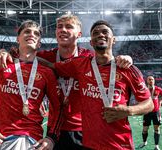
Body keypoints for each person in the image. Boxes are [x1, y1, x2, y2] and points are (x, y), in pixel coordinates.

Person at [0, 14, 134, 150]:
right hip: (55, 131)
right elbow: (20, 55)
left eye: (69, 26)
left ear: (79, 34)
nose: (63, 30)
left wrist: (126, 58)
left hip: (84, 129)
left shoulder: (89, 58)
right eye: (59, 27)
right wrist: (4, 52)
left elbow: (110, 62)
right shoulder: (45, 57)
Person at [37, 20, 154, 149]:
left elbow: (149, 104)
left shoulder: (128, 69)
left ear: (113, 39)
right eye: (95, 33)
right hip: (89, 145)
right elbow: (51, 65)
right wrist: (21, 55)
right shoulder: (80, 64)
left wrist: (128, 110)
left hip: (120, 144)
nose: (100, 35)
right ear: (91, 42)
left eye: (105, 32)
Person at [0, 20, 62, 150]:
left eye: (36, 33)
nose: (31, 35)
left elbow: (57, 107)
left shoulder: (47, 73)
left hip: (32, 140)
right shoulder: (1, 64)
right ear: (18, 38)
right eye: (27, 31)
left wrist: (51, 138)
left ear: (39, 43)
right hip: (0, 139)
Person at [138, 76, 162, 150]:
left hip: (156, 112)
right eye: (149, 79)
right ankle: (144, 142)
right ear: (147, 81)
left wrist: (160, 101)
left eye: (152, 79)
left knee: (157, 129)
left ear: (154, 81)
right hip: (147, 112)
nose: (151, 81)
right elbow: (139, 97)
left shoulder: (158, 89)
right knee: (145, 129)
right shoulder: (144, 89)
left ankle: (156, 145)